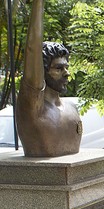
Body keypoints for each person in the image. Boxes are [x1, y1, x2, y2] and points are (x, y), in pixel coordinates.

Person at [15, 0, 81, 157]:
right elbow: (33, 49)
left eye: (66, 67)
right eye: (58, 68)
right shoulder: (34, 107)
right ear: (41, 72)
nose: (66, 73)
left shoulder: (72, 109)